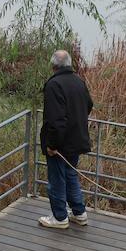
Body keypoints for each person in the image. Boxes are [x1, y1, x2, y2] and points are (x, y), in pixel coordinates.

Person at [39, 48, 93, 228]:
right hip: (76, 140)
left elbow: (56, 119)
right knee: (70, 175)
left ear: (53, 66)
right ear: (69, 63)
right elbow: (88, 105)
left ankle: (60, 217)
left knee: (57, 180)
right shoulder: (79, 81)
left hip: (60, 144)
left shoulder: (54, 85)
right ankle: (79, 213)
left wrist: (52, 144)